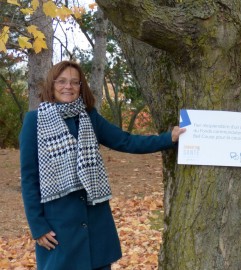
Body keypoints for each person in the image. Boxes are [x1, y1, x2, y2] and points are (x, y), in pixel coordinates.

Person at [19, 60, 185, 270]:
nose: (68, 87)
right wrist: (38, 226)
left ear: (81, 87)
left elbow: (126, 141)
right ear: (51, 85)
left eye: (74, 82)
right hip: (59, 226)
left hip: (95, 221)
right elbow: (29, 178)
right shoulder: (35, 121)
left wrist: (168, 139)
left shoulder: (89, 117)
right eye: (61, 81)